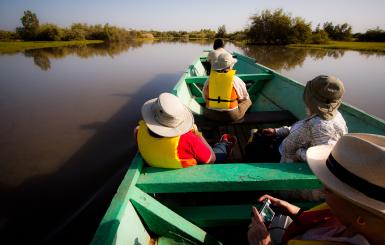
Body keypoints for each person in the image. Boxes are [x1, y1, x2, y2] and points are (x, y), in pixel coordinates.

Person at [248, 133, 385, 245]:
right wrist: (296, 211)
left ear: (361, 219)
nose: (323, 189)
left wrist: (262, 243)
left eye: (330, 188)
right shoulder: (353, 216)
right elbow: (330, 218)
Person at [135, 92, 237, 168]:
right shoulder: (189, 140)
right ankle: (225, 144)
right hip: (186, 172)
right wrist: (197, 134)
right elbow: (211, 159)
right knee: (218, 152)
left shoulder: (138, 130)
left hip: (154, 165)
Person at [260, 75, 348, 162]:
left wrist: (299, 153)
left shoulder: (316, 126)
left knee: (257, 147)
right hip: (286, 145)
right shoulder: (337, 115)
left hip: (286, 160)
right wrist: (277, 131)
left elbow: (324, 158)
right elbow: (301, 131)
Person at [202, 52, 252, 122]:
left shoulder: (209, 79)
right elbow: (244, 97)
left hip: (210, 114)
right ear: (231, 66)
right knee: (248, 101)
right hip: (231, 116)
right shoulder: (235, 79)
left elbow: (204, 97)